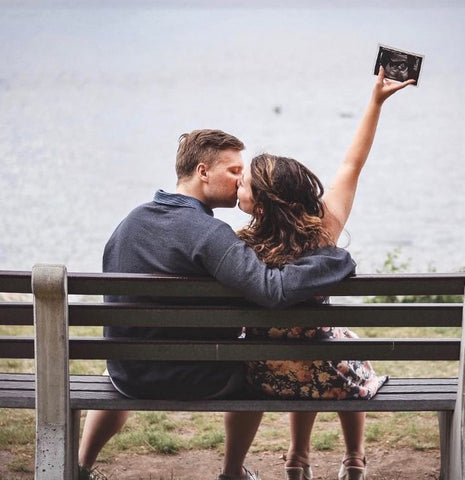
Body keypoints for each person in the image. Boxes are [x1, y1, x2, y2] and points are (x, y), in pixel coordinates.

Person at [78, 129, 356, 480]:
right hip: (198, 378)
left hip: (128, 374)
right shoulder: (210, 235)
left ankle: (81, 466)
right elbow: (271, 290)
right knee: (251, 366)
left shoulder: (129, 223)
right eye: (234, 171)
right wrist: (335, 260)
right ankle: (231, 472)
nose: (242, 180)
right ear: (203, 172)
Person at [235, 67, 415, 480]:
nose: (236, 188)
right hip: (328, 373)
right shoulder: (325, 230)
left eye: (242, 184)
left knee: (307, 353)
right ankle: (354, 457)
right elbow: (354, 162)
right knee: (336, 347)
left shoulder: (240, 247)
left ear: (261, 203)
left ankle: (298, 457)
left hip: (264, 373)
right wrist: (376, 101)